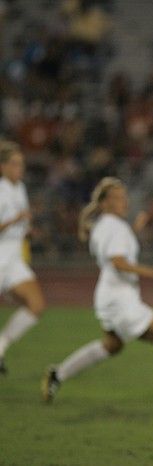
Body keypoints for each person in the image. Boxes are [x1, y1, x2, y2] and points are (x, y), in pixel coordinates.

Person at [41, 177, 153, 407]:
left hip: (109, 295)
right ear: (104, 203)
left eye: (125, 197)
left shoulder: (104, 225)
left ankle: (58, 374)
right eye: (118, 198)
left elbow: (115, 250)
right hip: (120, 298)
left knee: (111, 345)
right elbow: (118, 262)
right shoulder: (115, 227)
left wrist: (134, 230)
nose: (125, 202)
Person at [0, 141, 46, 375]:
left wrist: (27, 230)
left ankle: (1, 346)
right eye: (15, 164)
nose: (20, 169)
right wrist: (15, 220)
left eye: (22, 164)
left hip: (14, 256)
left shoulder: (20, 188)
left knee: (36, 305)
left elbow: (19, 222)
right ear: (2, 166)